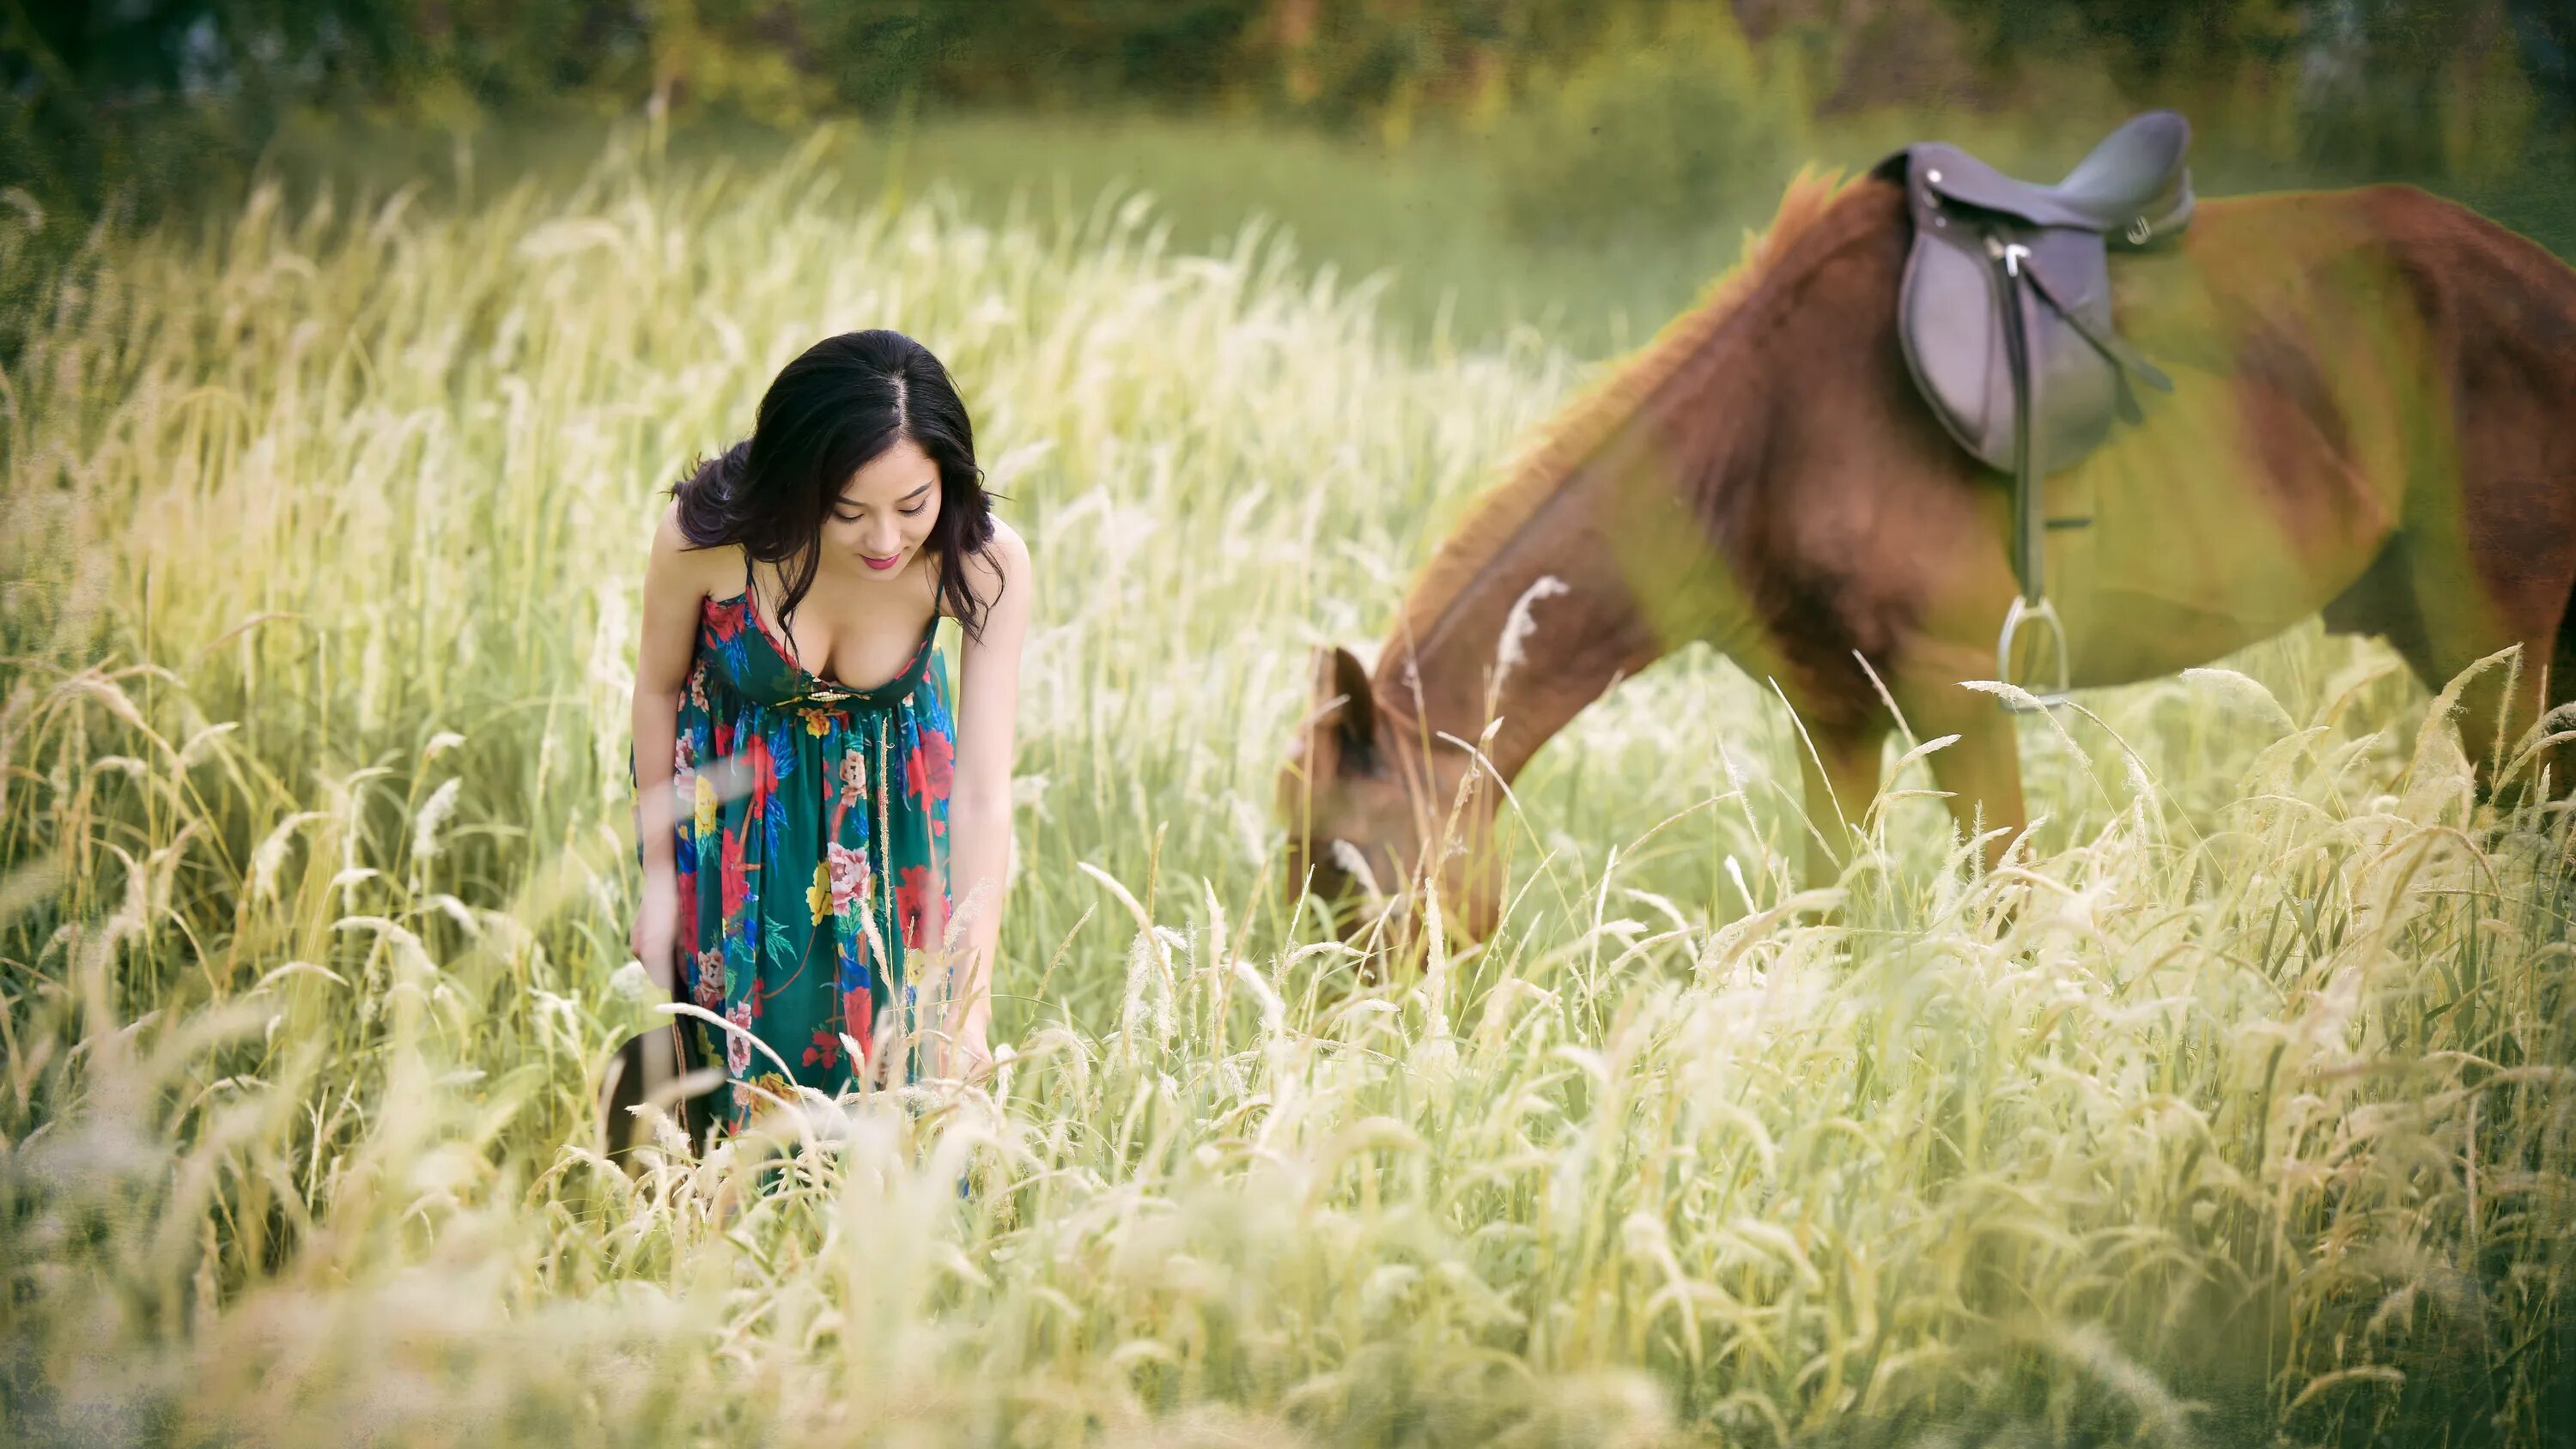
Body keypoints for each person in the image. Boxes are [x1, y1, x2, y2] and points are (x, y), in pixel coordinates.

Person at [623, 329, 1029, 1145]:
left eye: (914, 506)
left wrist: (970, 1001)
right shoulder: (708, 540)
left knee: (900, 1112)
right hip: (736, 858)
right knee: (729, 1129)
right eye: (849, 512)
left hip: (896, 856)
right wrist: (659, 879)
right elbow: (657, 690)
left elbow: (984, 793)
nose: (886, 541)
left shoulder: (981, 564)